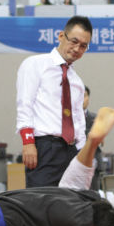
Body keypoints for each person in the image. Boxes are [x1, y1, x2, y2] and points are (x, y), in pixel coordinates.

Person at [16, 16, 91, 187]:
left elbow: (79, 121)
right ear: (61, 36)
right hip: (45, 147)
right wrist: (28, 142)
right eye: (74, 41)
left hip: (72, 151)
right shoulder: (35, 64)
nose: (77, 48)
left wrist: (83, 155)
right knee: (41, 204)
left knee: (73, 204)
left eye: (83, 46)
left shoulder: (77, 81)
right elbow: (24, 104)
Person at [83, 86, 102, 191]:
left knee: (93, 196)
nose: (81, 99)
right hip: (69, 162)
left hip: (92, 162)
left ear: (88, 98)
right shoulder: (65, 119)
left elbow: (95, 137)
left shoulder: (97, 118)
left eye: (84, 96)